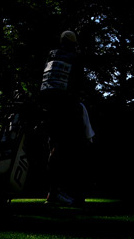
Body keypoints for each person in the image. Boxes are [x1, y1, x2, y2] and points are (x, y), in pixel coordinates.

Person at [36, 30, 93, 205]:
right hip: (67, 107)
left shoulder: (51, 56)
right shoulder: (75, 58)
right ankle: (64, 193)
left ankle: (53, 192)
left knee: (54, 147)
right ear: (73, 43)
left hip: (49, 107)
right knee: (70, 149)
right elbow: (77, 85)